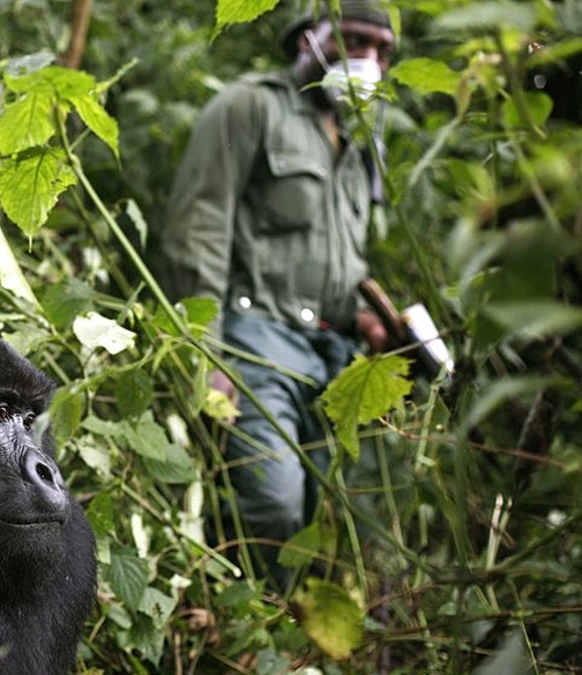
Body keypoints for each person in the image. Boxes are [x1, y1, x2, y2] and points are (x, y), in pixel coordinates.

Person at [156, 0, 395, 590]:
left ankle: (264, 629)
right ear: (306, 40)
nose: (366, 59)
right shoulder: (249, 107)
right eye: (352, 40)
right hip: (253, 343)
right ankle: (231, 629)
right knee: (274, 504)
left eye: (380, 51)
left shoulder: (364, 141)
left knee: (319, 517)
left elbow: (336, 254)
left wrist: (367, 319)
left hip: (331, 360)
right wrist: (204, 357)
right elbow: (197, 234)